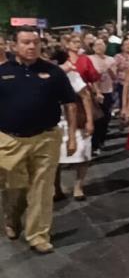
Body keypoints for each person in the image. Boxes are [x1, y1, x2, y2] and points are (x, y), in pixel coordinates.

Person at [0, 27, 79, 254]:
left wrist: (72, 137)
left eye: (35, 42)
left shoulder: (53, 72)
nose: (31, 46)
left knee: (42, 189)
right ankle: (11, 219)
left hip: (46, 138)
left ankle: (38, 235)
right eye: (25, 42)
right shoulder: (3, 72)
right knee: (14, 188)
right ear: (14, 45)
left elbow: (70, 104)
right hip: (9, 140)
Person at [52, 47, 95, 201]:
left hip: (76, 120)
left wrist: (90, 120)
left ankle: (78, 186)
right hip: (53, 122)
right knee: (54, 158)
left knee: (82, 153)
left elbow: (86, 96)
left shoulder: (72, 75)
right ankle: (56, 189)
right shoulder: (41, 75)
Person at [88, 39, 116, 155]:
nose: (99, 47)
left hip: (107, 91)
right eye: (97, 45)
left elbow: (114, 77)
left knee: (105, 117)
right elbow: (87, 76)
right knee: (96, 118)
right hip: (93, 92)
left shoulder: (111, 60)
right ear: (93, 47)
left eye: (102, 45)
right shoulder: (89, 59)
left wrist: (108, 70)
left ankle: (101, 140)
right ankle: (94, 144)